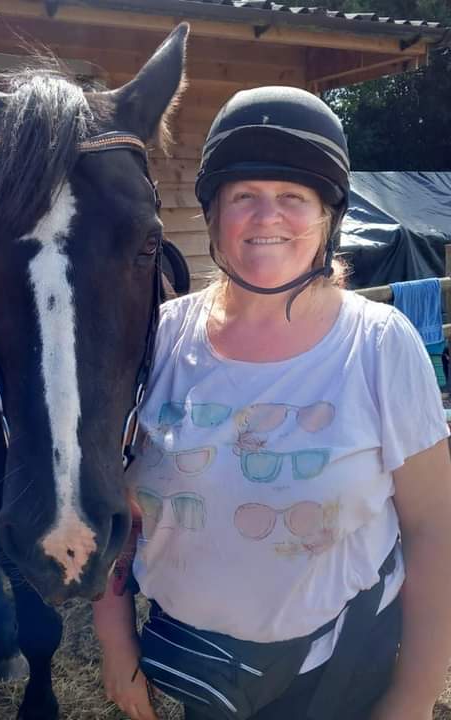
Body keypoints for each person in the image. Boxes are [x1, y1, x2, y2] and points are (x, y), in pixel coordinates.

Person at [93, 86, 451, 720]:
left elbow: (434, 531)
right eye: (244, 197)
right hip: (198, 673)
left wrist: (414, 697)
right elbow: (110, 501)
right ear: (213, 216)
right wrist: (116, 644)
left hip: (336, 677)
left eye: (293, 197)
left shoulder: (377, 347)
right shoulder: (159, 338)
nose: (267, 218)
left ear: (327, 218)